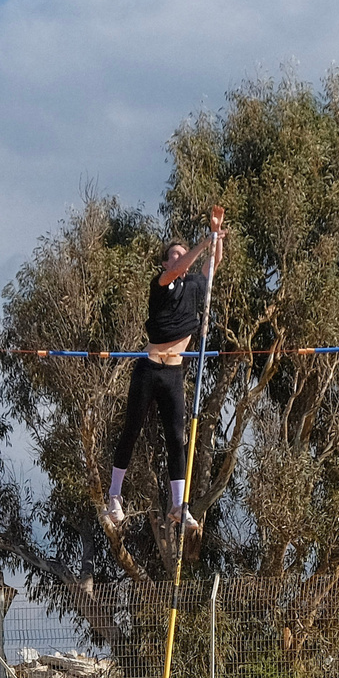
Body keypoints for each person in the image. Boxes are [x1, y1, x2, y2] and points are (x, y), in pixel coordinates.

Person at [102, 205, 225, 546]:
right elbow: (189, 264)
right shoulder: (161, 284)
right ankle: (114, 499)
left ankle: (178, 506)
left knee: (177, 439)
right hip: (148, 368)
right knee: (132, 428)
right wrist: (205, 240)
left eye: (181, 255)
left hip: (173, 373)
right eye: (174, 255)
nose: (178, 259)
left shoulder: (194, 287)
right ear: (165, 264)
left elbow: (212, 266)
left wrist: (216, 237)